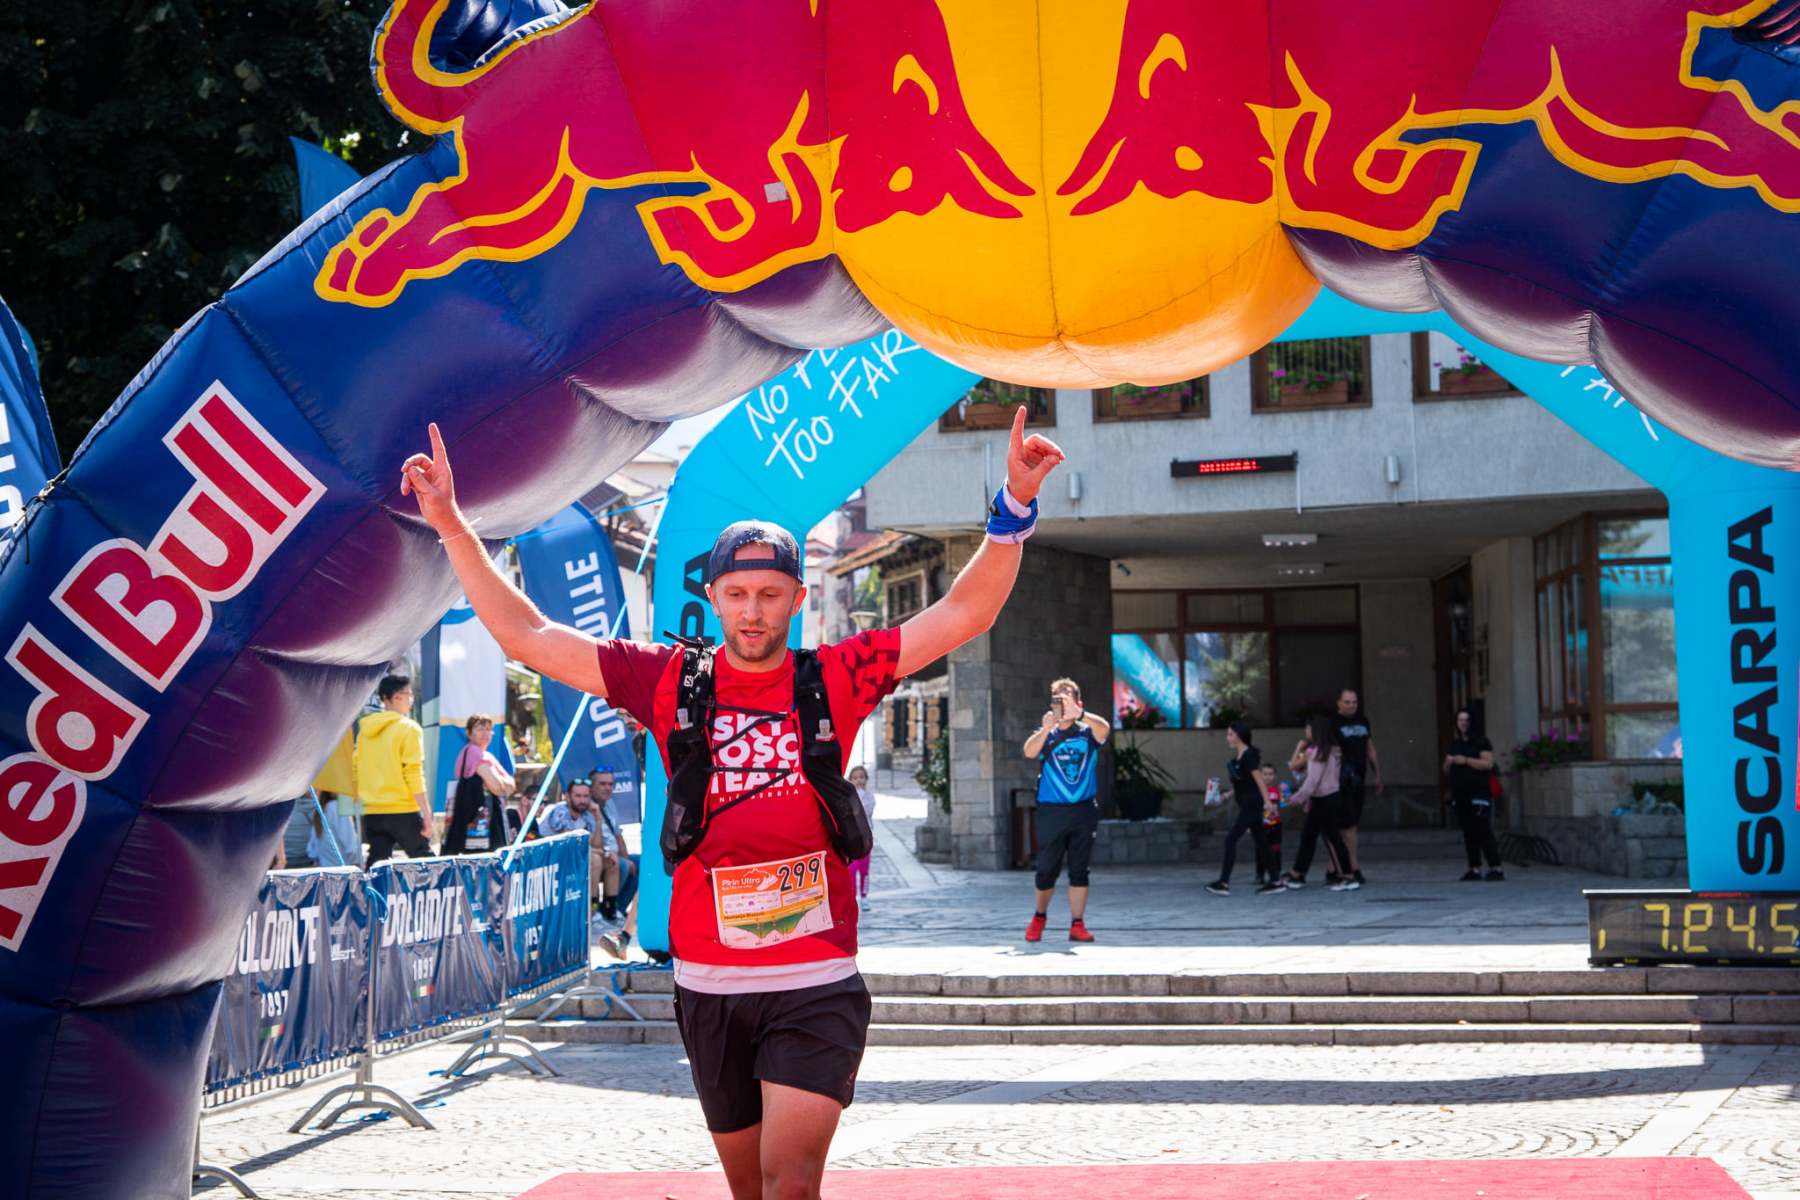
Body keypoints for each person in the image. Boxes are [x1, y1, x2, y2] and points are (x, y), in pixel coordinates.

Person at [400, 407, 1063, 1200]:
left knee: (791, 1183)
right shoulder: (668, 681)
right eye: (739, 594)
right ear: (712, 596)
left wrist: (1013, 508)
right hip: (710, 985)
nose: (753, 611)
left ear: (797, 599)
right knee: (752, 1190)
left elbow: (963, 613)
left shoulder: (834, 677)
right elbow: (531, 637)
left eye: (771, 595)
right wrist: (450, 523)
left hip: (816, 976)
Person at [1022, 677, 1112, 941]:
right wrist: (1045, 729)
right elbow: (1029, 752)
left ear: (1078, 702)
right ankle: (1039, 916)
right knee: (1046, 869)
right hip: (1052, 811)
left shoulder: (1087, 732)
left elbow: (1104, 729)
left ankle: (1077, 924)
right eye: (1058, 698)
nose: (1062, 703)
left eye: (1068, 697)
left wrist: (1080, 714)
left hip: (1083, 811)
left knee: (1079, 869)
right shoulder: (1047, 733)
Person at [354, 675, 434, 864]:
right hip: (402, 808)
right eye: (409, 694)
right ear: (397, 696)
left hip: (373, 810)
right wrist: (426, 812)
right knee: (426, 864)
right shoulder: (409, 728)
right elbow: (413, 772)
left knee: (377, 866)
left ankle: (370, 887)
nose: (411, 699)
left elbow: (356, 768)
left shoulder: (365, 732)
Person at [1205, 723, 1282, 897]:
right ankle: (1276, 880)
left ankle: (1223, 883)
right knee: (1261, 842)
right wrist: (1224, 796)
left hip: (1251, 804)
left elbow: (1259, 781)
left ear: (1238, 735)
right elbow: (1242, 784)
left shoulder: (1248, 755)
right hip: (1247, 803)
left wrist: (1268, 802)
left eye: (1230, 734)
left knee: (1230, 840)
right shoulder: (1238, 758)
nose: (1227, 737)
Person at [1286, 716, 1360, 892]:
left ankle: (1346, 877)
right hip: (1331, 797)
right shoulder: (1333, 751)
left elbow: (1312, 781)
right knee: (1316, 836)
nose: (1306, 731)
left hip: (1322, 799)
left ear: (1315, 730)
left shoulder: (1318, 753)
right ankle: (1298, 873)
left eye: (1308, 728)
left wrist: (1296, 798)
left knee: (1323, 837)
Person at [542, 779, 619, 912]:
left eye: (586, 796)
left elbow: (597, 844)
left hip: (575, 857)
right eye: (578, 796)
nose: (582, 801)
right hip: (551, 859)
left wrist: (598, 818)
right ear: (567, 797)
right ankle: (591, 910)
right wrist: (597, 851)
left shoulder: (588, 814)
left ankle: (610, 910)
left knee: (612, 862)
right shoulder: (559, 811)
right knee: (595, 859)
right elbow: (569, 843)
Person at [1445, 708, 1504, 881]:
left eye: (1466, 720)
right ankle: (1474, 868)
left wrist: (1466, 760)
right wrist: (1449, 763)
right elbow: (1446, 770)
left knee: (1483, 830)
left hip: (1479, 793)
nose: (1463, 723)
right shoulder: (1455, 744)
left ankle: (1496, 867)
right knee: (1469, 832)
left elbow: (1488, 764)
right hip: (1461, 794)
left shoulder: (1481, 741)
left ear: (1471, 722)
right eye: (1460, 720)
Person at [444, 714, 517, 853]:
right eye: (480, 729)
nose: (485, 733)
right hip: (475, 822)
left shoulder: (487, 755)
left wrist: (496, 782)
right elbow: (498, 787)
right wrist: (498, 783)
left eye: (488, 729)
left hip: (485, 821)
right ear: (469, 733)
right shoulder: (473, 752)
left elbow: (511, 786)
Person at [1333, 687, 1381, 884]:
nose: (1351, 705)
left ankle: (1335, 867)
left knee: (1350, 824)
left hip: (1359, 779)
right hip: (1341, 779)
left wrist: (1377, 774)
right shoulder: (1333, 723)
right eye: (1347, 702)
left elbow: (1370, 748)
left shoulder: (1363, 721)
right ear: (1339, 703)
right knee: (1348, 825)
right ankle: (1352, 867)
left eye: (1354, 702)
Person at [589, 769, 637, 918]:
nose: (607, 788)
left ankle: (618, 910)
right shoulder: (587, 805)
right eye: (603, 784)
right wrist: (613, 855)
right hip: (598, 855)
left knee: (639, 863)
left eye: (610, 784)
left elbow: (618, 835)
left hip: (612, 853)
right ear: (592, 787)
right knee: (619, 864)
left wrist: (627, 858)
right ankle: (605, 910)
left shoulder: (609, 803)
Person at [845, 765, 876, 903]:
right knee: (851, 869)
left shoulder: (869, 797)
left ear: (866, 779)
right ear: (850, 780)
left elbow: (865, 811)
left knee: (864, 869)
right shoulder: (846, 797)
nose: (859, 780)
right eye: (855, 778)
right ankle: (853, 897)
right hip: (851, 839)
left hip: (865, 840)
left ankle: (864, 896)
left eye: (862, 777)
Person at [1257, 763, 1285, 886]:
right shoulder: (1257, 791)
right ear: (1260, 775)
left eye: (1271, 774)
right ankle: (1260, 874)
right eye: (1265, 774)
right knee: (1260, 850)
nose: (1268, 777)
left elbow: (1284, 803)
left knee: (1275, 849)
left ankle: (1276, 873)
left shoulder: (1277, 790)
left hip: (1275, 825)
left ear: (1275, 776)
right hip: (1260, 825)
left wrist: (1285, 793)